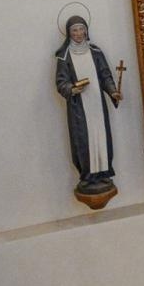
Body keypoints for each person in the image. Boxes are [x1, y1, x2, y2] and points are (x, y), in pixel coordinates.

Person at [54, 15, 123, 206]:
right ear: (68, 34)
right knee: (83, 140)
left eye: (80, 29)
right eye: (74, 31)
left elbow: (105, 75)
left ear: (86, 30)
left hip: (97, 106)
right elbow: (60, 82)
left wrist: (113, 91)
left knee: (101, 138)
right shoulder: (64, 56)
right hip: (79, 108)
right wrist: (72, 89)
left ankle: (103, 173)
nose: (78, 34)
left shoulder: (95, 52)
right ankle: (87, 177)